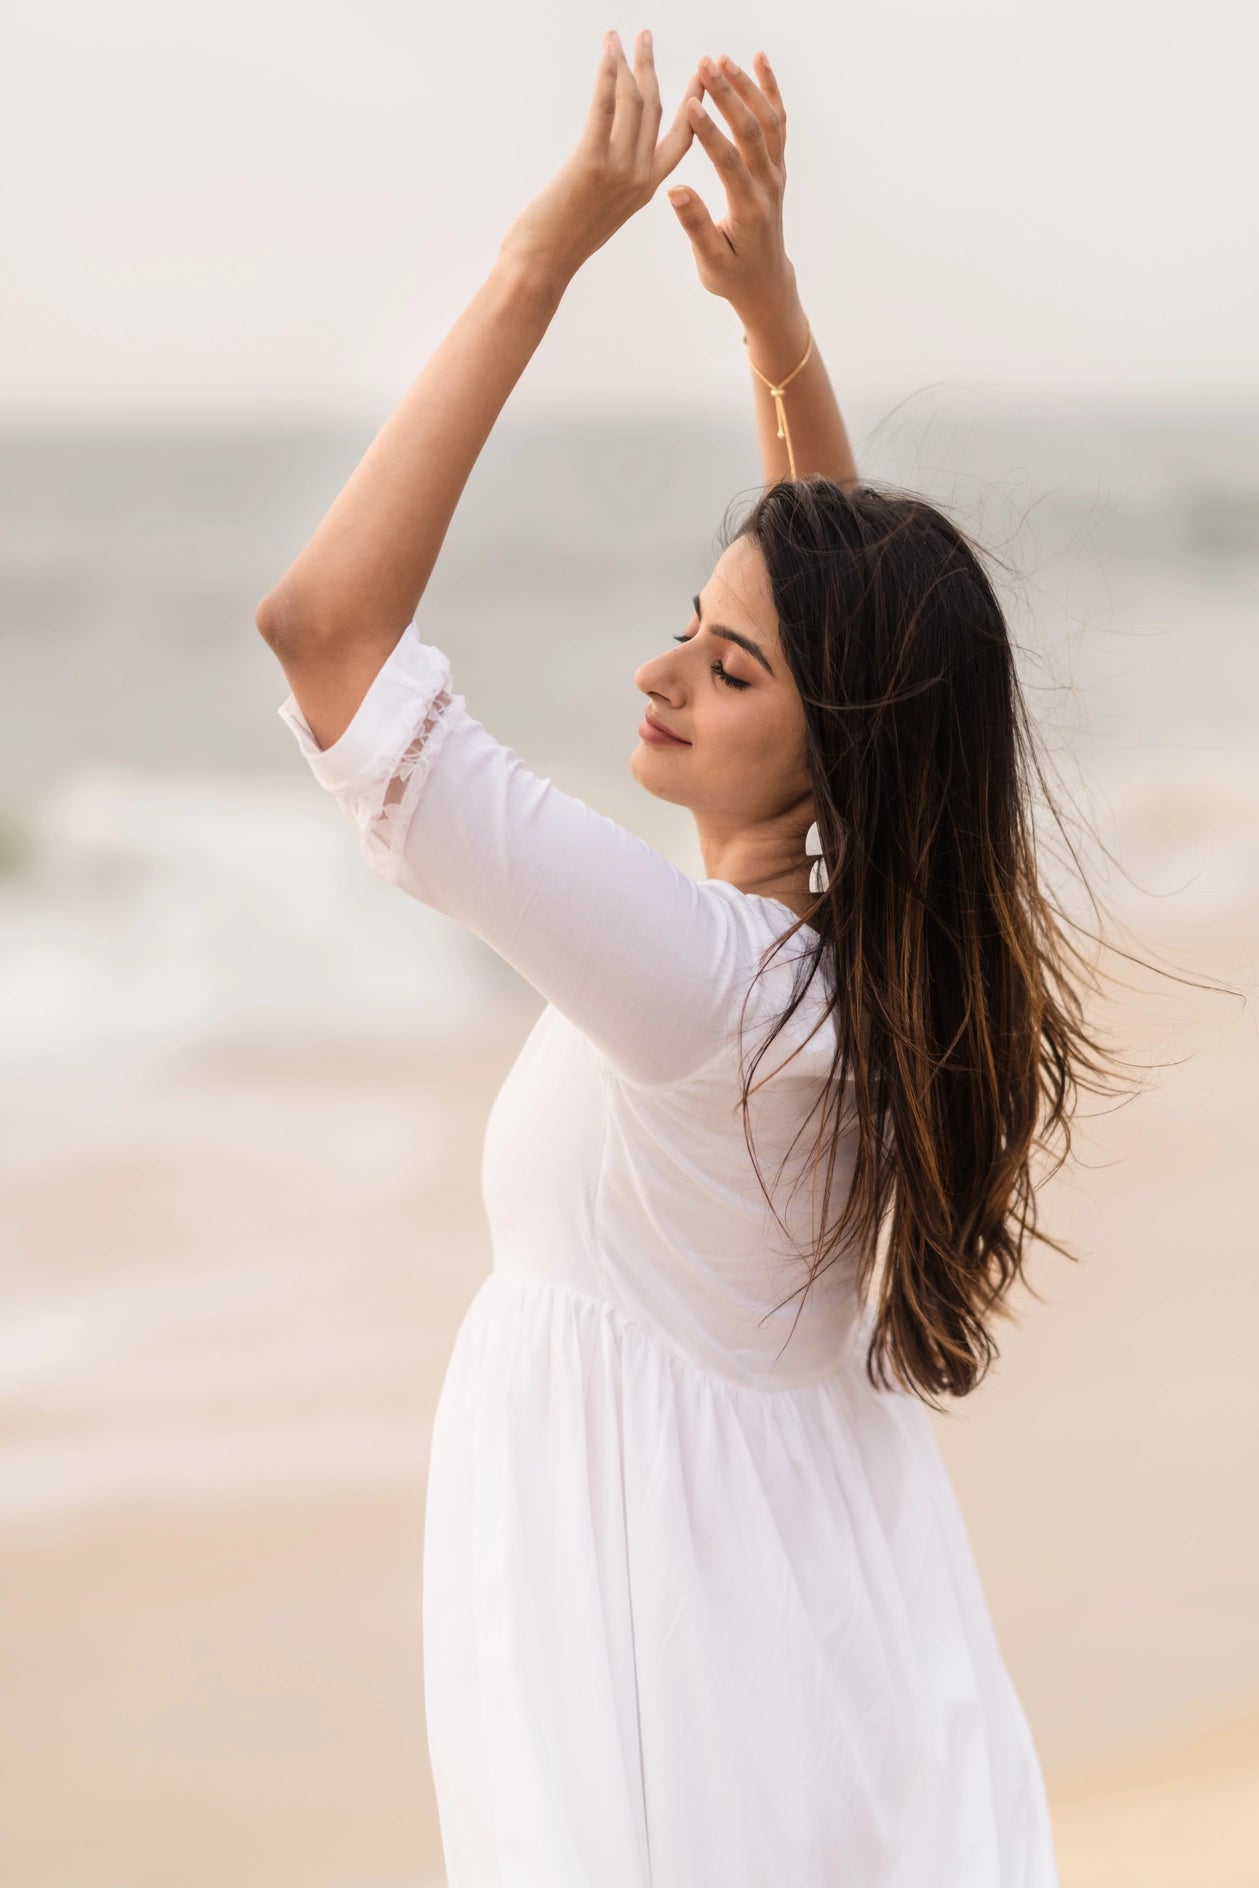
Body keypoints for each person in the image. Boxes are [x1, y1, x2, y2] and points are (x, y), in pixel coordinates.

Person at [258, 31, 1065, 1884]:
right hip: (786, 1634)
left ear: (834, 740)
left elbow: (327, 648)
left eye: (728, 666)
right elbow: (859, 631)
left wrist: (554, 249)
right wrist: (770, 315)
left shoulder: (710, 988)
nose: (663, 675)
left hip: (665, 1660)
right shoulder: (859, 963)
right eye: (684, 629)